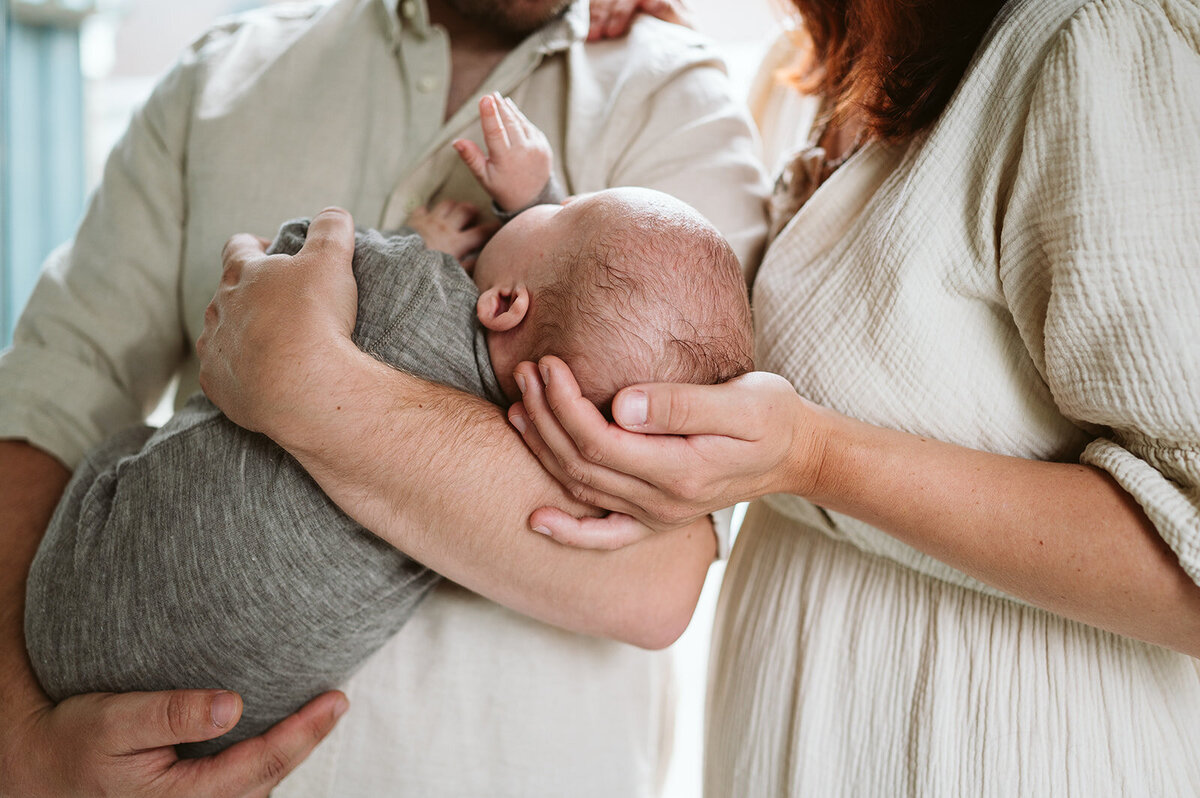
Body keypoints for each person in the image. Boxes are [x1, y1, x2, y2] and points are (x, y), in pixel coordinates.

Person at [0, 0, 769, 794]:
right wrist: (17, 738)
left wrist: (302, 381)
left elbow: (659, 580)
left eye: (565, 207)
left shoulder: (671, 93)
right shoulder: (215, 77)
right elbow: (51, 393)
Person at [509, 0, 1200, 794]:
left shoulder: (1095, 44)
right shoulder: (808, 67)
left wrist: (814, 457)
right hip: (792, 738)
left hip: (1004, 754)